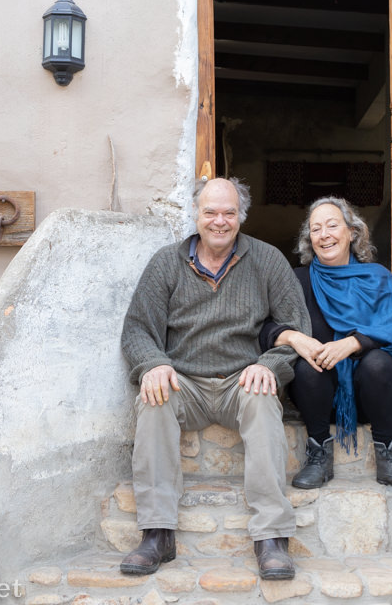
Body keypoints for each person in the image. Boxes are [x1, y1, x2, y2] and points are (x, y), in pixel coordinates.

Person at [119, 177, 311, 581]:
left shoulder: (267, 259)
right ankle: (157, 533)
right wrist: (153, 362)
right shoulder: (166, 263)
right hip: (182, 381)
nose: (219, 221)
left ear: (240, 217)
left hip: (240, 381)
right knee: (152, 402)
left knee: (262, 401)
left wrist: (270, 365)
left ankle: (271, 538)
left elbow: (296, 324)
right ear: (196, 214)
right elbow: (137, 329)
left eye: (228, 213)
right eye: (210, 212)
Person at [260, 196, 392, 493]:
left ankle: (389, 456)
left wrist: (352, 343)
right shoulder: (298, 280)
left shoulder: (378, 278)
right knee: (308, 366)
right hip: (318, 399)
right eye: (316, 229)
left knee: (378, 362)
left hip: (370, 398)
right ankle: (318, 454)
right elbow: (266, 326)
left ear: (352, 232)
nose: (324, 235)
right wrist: (294, 338)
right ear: (309, 239)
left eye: (332, 225)